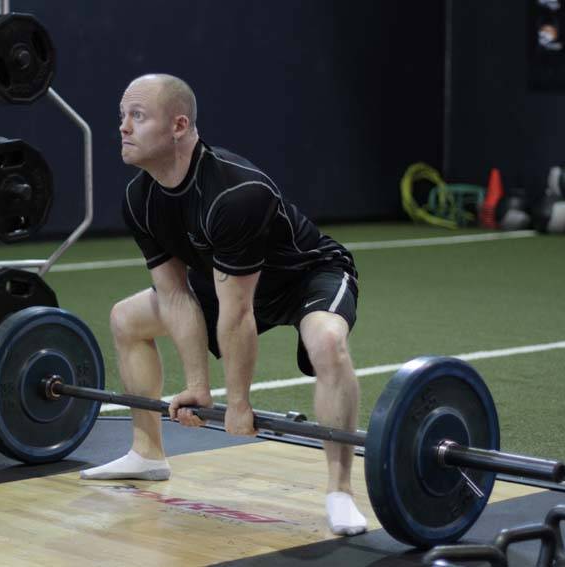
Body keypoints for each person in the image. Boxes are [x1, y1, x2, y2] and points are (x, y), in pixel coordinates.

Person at [80, 74, 366, 536]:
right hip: (225, 286)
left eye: (137, 116)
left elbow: (237, 314)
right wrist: (197, 385)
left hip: (304, 277)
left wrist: (237, 403)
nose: (123, 128)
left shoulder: (234, 192)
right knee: (126, 319)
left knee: (328, 343)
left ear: (178, 125)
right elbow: (174, 295)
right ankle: (148, 453)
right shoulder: (139, 198)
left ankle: (340, 491)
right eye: (121, 117)